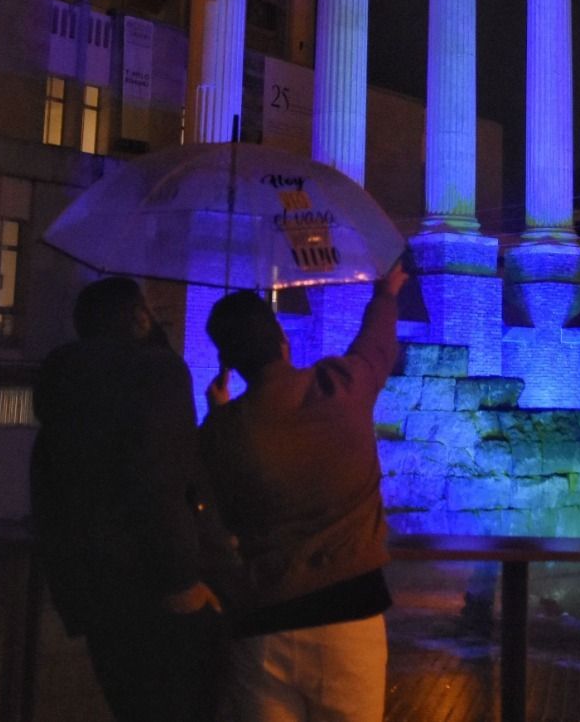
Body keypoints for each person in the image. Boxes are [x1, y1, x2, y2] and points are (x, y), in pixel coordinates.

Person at [202, 262, 409, 722]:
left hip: (264, 626)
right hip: (350, 620)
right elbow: (374, 346)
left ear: (229, 362)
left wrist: (218, 415)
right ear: (283, 339)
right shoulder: (339, 388)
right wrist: (386, 294)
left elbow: (214, 512)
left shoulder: (222, 433)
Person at [30, 276, 234, 722]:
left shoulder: (65, 386)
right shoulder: (157, 375)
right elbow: (159, 482)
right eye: (145, 309)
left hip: (96, 597)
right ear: (136, 317)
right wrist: (183, 583)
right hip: (159, 594)